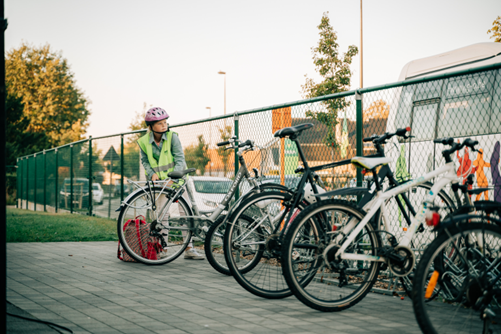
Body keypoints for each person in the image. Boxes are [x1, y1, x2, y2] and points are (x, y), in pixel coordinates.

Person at [137, 107, 205, 260]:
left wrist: (173, 179)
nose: (164, 126)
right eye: (160, 123)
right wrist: (152, 173)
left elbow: (180, 159)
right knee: (162, 215)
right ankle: (163, 249)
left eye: (165, 122)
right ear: (151, 126)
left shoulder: (173, 137)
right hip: (159, 183)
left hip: (177, 180)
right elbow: (145, 161)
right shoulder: (143, 142)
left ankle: (189, 248)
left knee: (185, 213)